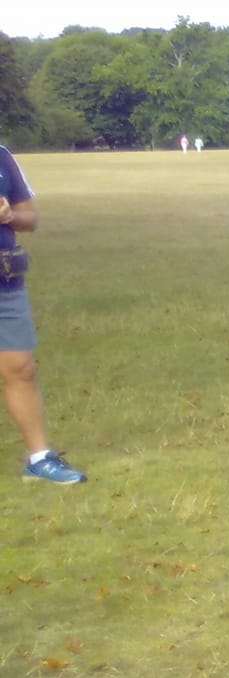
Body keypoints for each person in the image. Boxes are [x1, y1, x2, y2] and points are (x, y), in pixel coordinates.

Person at [0, 144, 86, 484]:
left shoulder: (2, 156)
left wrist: (9, 216)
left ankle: (38, 459)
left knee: (21, 368)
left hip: (5, 280)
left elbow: (30, 217)